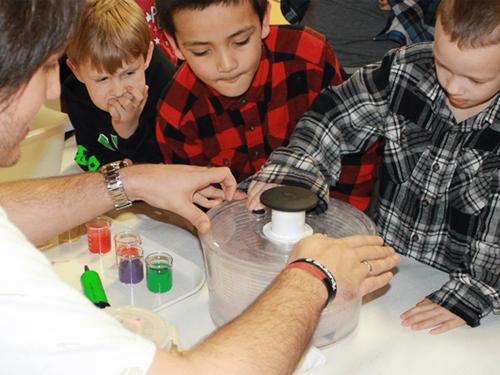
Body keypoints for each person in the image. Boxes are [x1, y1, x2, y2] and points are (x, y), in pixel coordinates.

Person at [0, 1, 399, 373]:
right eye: (44, 68)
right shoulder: (18, 294)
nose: (55, 90)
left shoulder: (307, 59)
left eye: (239, 41)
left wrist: (133, 179)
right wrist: (313, 276)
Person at [248, 0, 500, 334]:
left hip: (464, 294)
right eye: (444, 65)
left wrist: (474, 291)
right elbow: (334, 118)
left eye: (475, 80)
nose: (454, 87)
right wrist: (295, 172)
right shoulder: (406, 70)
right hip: (388, 269)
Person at [155, 0, 383, 212]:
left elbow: (355, 153)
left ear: (264, 19)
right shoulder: (177, 110)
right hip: (233, 238)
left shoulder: (310, 58)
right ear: (174, 44)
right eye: (202, 52)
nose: (227, 64)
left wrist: (338, 223)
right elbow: (198, 207)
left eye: (240, 41)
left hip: (326, 223)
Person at [62, 0, 176, 172]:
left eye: (129, 73)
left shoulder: (166, 83)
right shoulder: (74, 93)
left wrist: (130, 130)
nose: (118, 91)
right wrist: (107, 170)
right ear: (77, 71)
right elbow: (88, 154)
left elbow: (169, 163)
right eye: (102, 79)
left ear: (147, 57)